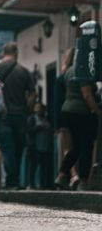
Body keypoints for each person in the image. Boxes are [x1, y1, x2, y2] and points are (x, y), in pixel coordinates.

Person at [0, 42, 36, 189]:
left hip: (2, 115)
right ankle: (15, 180)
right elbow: (33, 94)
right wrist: (28, 109)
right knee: (18, 148)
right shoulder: (24, 71)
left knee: (7, 148)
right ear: (16, 53)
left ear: (3, 53)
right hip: (20, 115)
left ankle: (11, 181)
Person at [54, 54, 101, 191]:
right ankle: (84, 181)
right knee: (86, 146)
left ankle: (62, 174)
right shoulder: (83, 69)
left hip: (67, 110)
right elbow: (86, 94)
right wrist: (97, 110)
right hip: (81, 112)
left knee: (76, 147)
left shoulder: (69, 70)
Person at [54, 48, 79, 188]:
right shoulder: (77, 76)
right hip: (77, 115)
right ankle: (74, 174)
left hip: (64, 117)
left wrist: (57, 124)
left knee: (68, 148)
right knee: (78, 146)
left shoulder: (62, 77)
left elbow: (57, 102)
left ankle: (72, 174)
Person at [26, 102, 52, 189]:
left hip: (45, 146)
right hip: (35, 146)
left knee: (44, 167)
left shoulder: (46, 119)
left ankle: (43, 184)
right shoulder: (32, 119)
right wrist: (39, 127)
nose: (38, 109)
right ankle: (31, 184)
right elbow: (29, 130)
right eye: (36, 107)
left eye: (40, 107)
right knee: (33, 166)